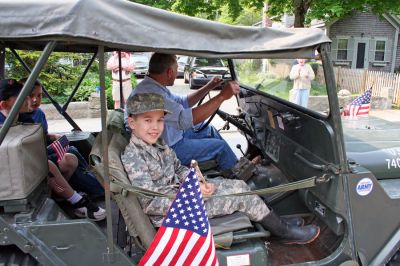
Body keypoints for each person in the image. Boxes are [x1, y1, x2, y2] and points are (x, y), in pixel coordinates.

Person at [121, 93, 320, 244]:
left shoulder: (158, 144)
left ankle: (277, 224)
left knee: (239, 184)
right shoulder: (134, 156)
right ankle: (285, 233)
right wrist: (191, 195)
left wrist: (197, 182)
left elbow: (178, 169)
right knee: (242, 197)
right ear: (132, 123)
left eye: (160, 120)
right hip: (175, 213)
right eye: (148, 121)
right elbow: (150, 203)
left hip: (183, 196)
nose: (155, 127)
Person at [0, 79, 106, 221]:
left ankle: (65, 193)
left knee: (71, 155)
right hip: (14, 170)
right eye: (23, 97)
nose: (30, 100)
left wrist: (52, 139)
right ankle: (78, 199)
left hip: (31, 159)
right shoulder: (6, 126)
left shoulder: (27, 118)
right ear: (4, 105)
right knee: (48, 166)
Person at [126, 53, 239, 173]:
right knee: (220, 147)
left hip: (172, 136)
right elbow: (183, 120)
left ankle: (230, 164)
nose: (177, 72)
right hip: (168, 148)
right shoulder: (151, 94)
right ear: (169, 72)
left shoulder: (154, 87)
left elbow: (183, 102)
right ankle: (238, 175)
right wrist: (222, 96)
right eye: (176, 69)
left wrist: (209, 86)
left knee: (209, 129)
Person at [19, 78, 105, 198]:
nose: (35, 100)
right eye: (30, 95)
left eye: (39, 96)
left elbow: (42, 135)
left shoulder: (39, 113)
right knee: (70, 158)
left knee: (72, 149)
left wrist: (53, 137)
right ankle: (99, 189)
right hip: (33, 158)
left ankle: (93, 179)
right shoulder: (18, 116)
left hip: (43, 151)